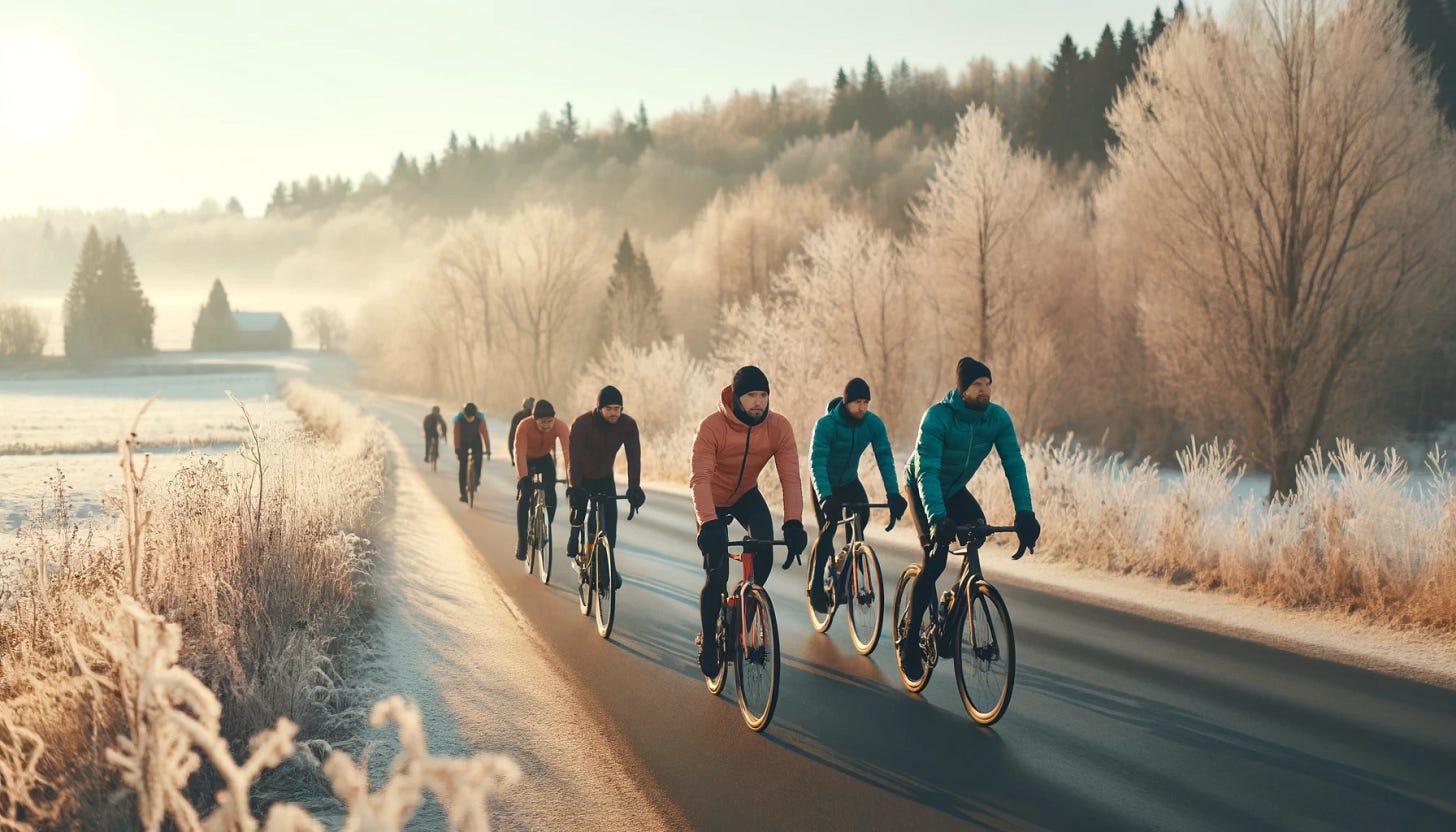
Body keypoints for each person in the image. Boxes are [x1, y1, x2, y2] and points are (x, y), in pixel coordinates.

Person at [899, 357, 1041, 679]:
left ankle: (954, 603)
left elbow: (1014, 465)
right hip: (922, 485)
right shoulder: (937, 417)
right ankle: (909, 642)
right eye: (977, 385)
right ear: (962, 390)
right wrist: (937, 519)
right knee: (934, 561)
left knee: (978, 531)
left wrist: (1025, 513)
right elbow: (929, 472)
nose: (985, 391)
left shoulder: (997, 419)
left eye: (988, 384)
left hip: (954, 489)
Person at [691, 365, 808, 677]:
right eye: (751, 395)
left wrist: (794, 522)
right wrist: (708, 522)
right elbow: (700, 478)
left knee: (764, 554)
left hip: (746, 494)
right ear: (736, 398)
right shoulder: (712, 426)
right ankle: (710, 643)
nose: (759, 401)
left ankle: (743, 610)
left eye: (764, 395)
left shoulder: (778, 427)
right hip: (711, 498)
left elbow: (791, 479)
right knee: (716, 574)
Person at [807, 377, 908, 613]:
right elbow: (817, 462)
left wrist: (893, 493)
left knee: (862, 519)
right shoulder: (826, 425)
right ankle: (816, 587)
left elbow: (884, 457)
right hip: (825, 483)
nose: (862, 407)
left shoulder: (873, 424)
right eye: (857, 402)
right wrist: (824, 496)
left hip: (850, 481)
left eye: (865, 402)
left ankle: (851, 562)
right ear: (845, 402)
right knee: (829, 528)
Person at [566, 385, 645, 590]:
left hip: (604, 476)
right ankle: (575, 534)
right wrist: (575, 487)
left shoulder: (627, 425)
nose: (614, 413)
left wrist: (634, 487)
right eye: (609, 408)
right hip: (582, 476)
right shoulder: (582, 424)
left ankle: (607, 564)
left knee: (610, 520)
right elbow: (573, 459)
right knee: (583, 512)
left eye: (617, 408)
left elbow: (634, 457)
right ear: (599, 408)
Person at [514, 399, 570, 561]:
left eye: (550, 421)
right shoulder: (524, 426)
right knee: (525, 496)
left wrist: (571, 480)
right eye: (543, 422)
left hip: (545, 459)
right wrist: (523, 478)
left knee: (551, 493)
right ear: (534, 420)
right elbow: (519, 454)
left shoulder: (560, 426)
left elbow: (568, 454)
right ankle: (522, 542)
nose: (547, 425)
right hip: (527, 459)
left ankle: (544, 527)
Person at [453, 402, 491, 502]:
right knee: (462, 468)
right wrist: (457, 448)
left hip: (475, 441)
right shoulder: (459, 420)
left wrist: (488, 449)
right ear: (464, 415)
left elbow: (485, 434)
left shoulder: (480, 419)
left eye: (472, 417)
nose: (470, 419)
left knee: (478, 460)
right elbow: (456, 435)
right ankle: (463, 494)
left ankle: (476, 480)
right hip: (463, 442)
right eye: (467, 417)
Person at [508, 397, 536, 466]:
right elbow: (511, 438)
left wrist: (512, 456)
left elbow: (511, 438)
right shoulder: (534, 416)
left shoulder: (517, 416)